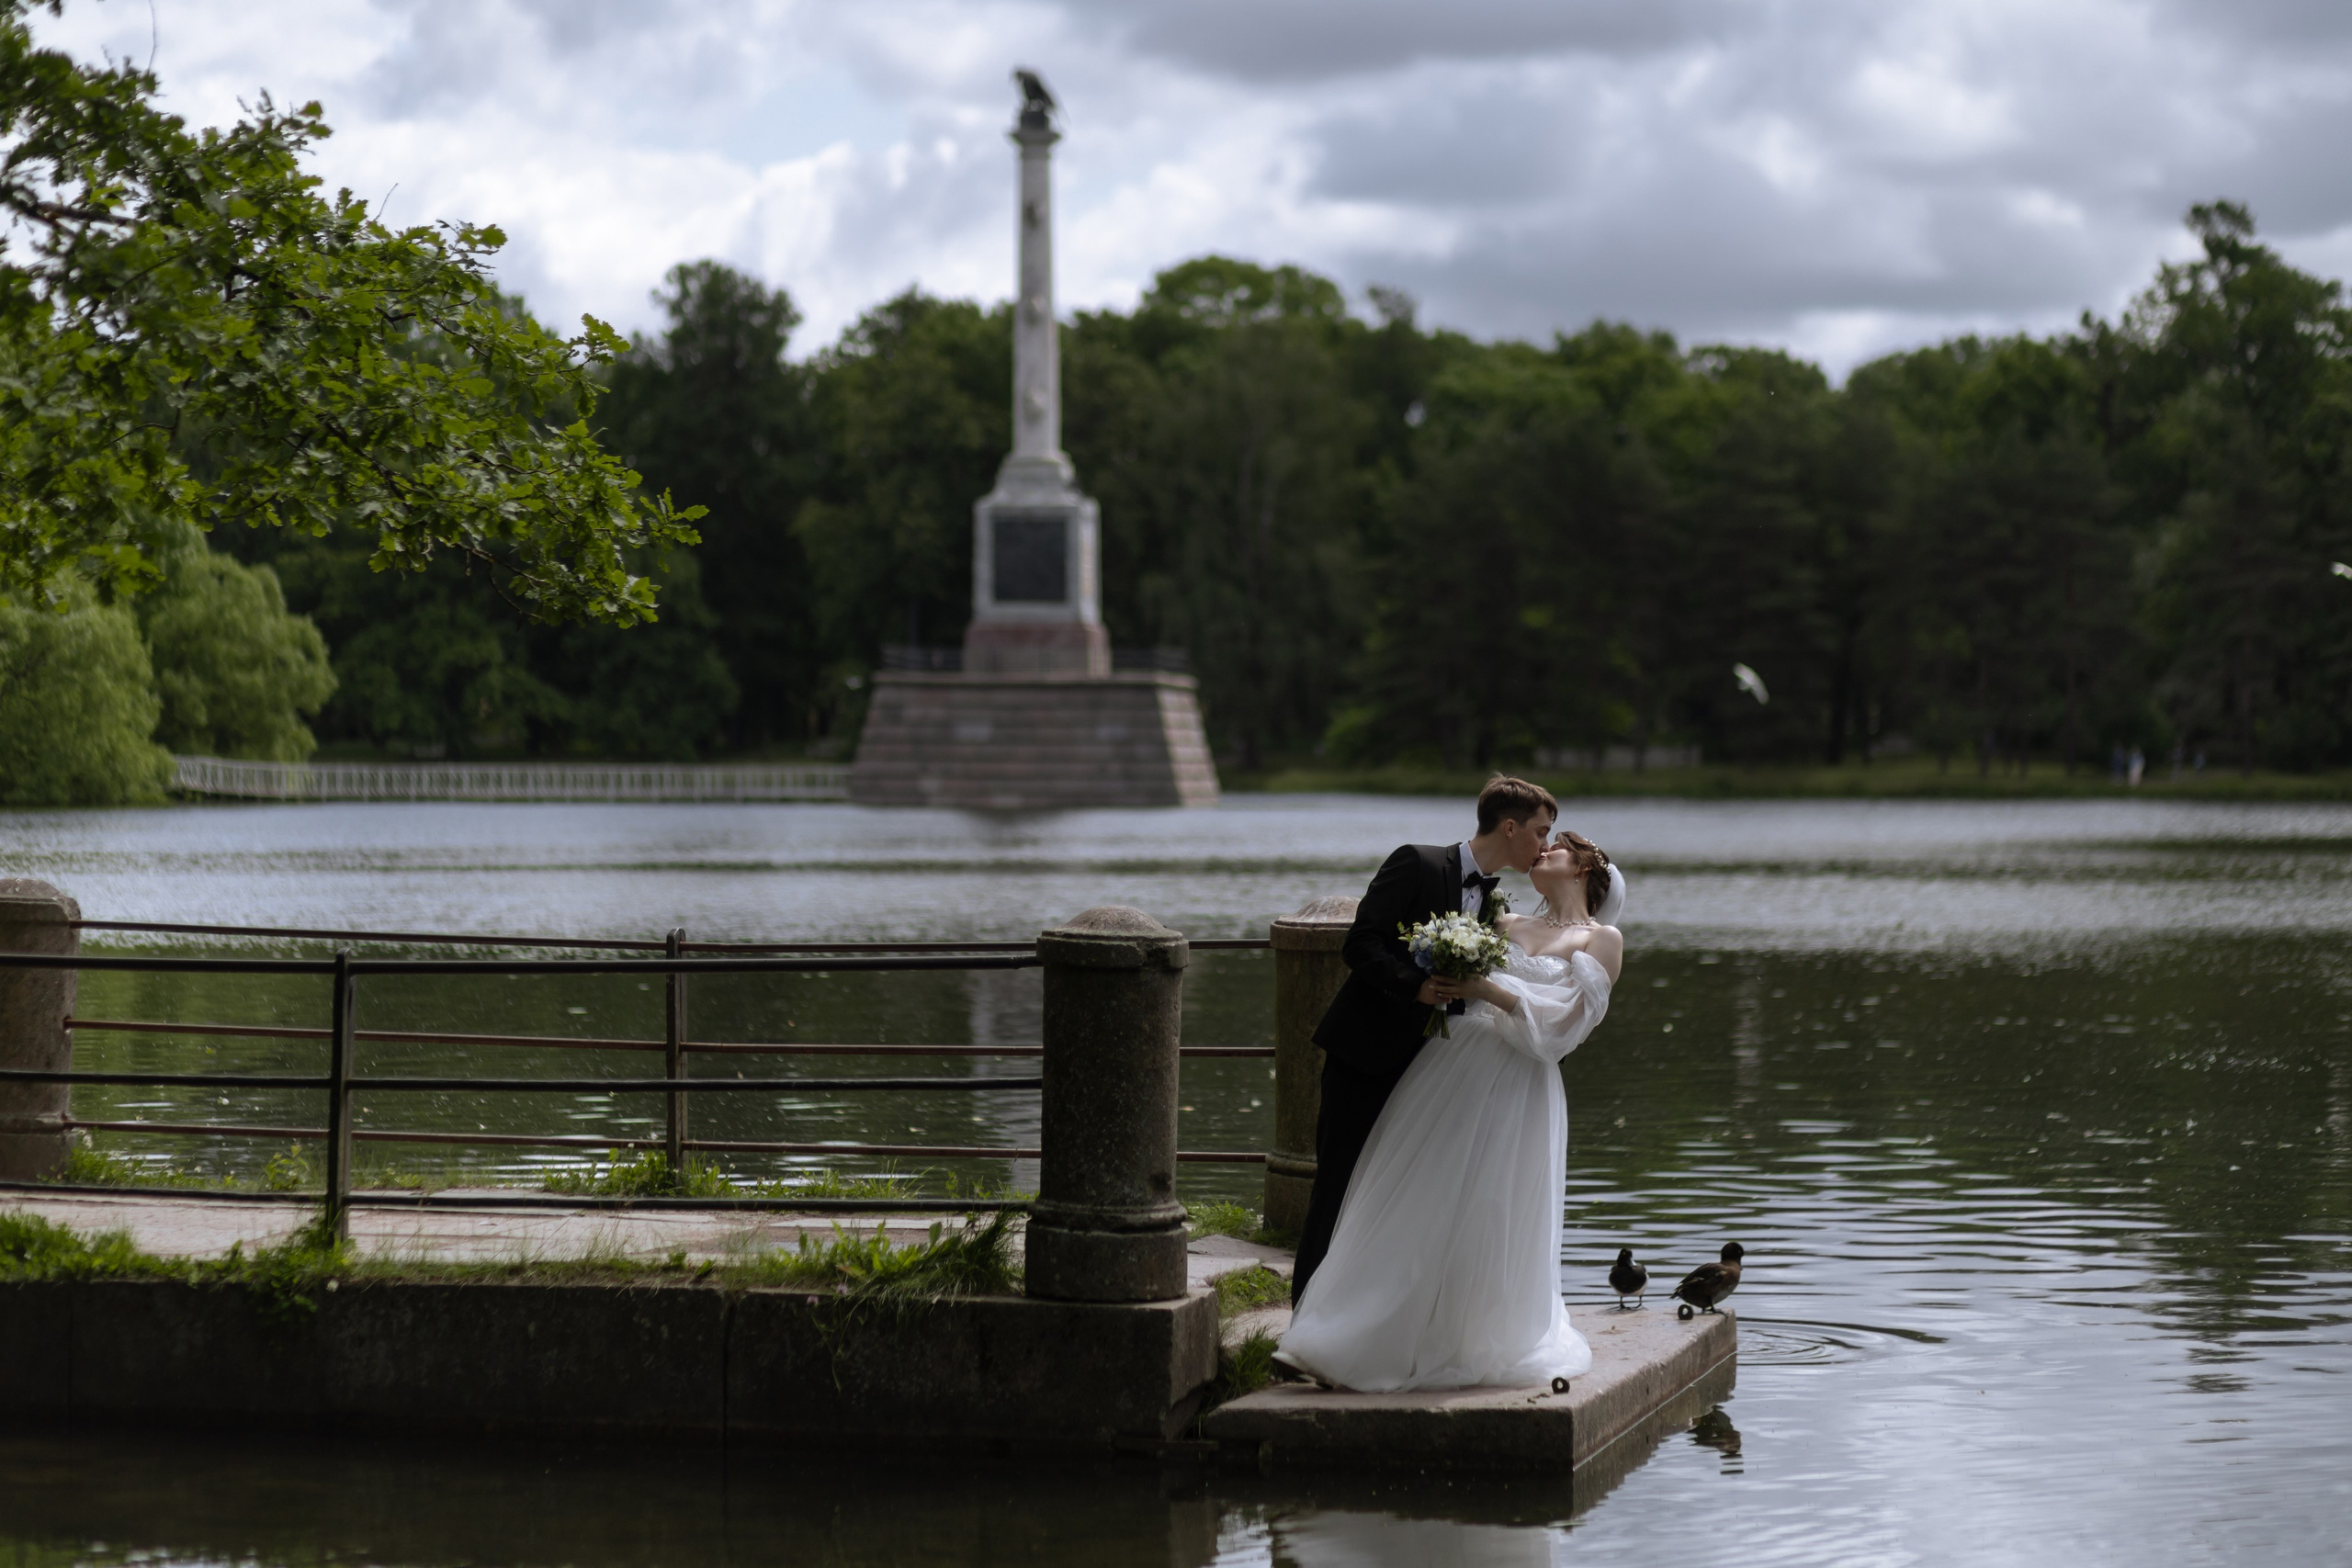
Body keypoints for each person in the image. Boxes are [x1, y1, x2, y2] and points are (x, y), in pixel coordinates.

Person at [1276, 830, 1624, 1391]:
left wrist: (1486, 988)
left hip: (1520, 1084)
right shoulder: (1503, 923)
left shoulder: (1603, 939)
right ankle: (1341, 1334)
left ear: (1584, 867)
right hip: (1449, 1066)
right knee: (1410, 1197)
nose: (1542, 853)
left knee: (1489, 1208)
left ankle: (1460, 1337)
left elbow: (1564, 1030)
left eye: (1554, 848)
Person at [1288, 777, 1557, 1307]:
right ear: (1510, 827)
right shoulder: (1417, 862)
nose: (1545, 846)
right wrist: (1416, 986)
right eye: (1541, 832)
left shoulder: (1495, 902)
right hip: (1366, 1057)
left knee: (1400, 1199)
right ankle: (1305, 1321)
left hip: (1432, 1072)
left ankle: (1369, 1319)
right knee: (1337, 1188)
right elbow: (1360, 943)